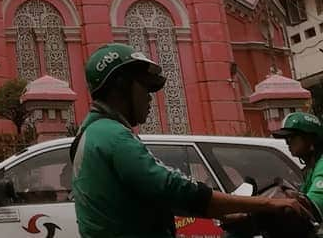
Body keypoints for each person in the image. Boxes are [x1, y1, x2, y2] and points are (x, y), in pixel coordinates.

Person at [71, 43, 311, 238]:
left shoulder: (92, 132)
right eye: (145, 88)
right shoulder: (112, 136)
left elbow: (156, 196)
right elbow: (175, 189)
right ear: (120, 86)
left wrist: (228, 211)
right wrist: (267, 205)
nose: (150, 99)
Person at [272, 111, 323, 216]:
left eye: (292, 137)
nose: (287, 143)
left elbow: (313, 204)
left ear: (310, 139)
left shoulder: (321, 165)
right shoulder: (309, 169)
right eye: (286, 139)